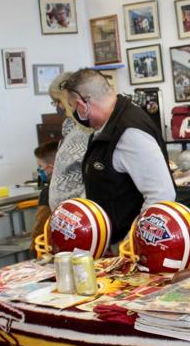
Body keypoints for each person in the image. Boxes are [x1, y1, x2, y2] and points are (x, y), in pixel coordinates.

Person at [63, 68, 175, 243]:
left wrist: (131, 243)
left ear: (83, 104)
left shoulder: (128, 132)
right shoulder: (108, 126)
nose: (75, 114)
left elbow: (161, 195)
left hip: (128, 247)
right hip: (112, 242)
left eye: (73, 107)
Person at [47, 72, 92, 211]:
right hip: (66, 216)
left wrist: (83, 210)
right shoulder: (69, 127)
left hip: (83, 214)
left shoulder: (89, 128)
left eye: (58, 100)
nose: (58, 106)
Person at [32, 140, 58, 249]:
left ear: (51, 168)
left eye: (40, 166)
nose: (39, 170)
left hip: (51, 249)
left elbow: (41, 226)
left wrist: (33, 248)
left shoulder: (48, 192)